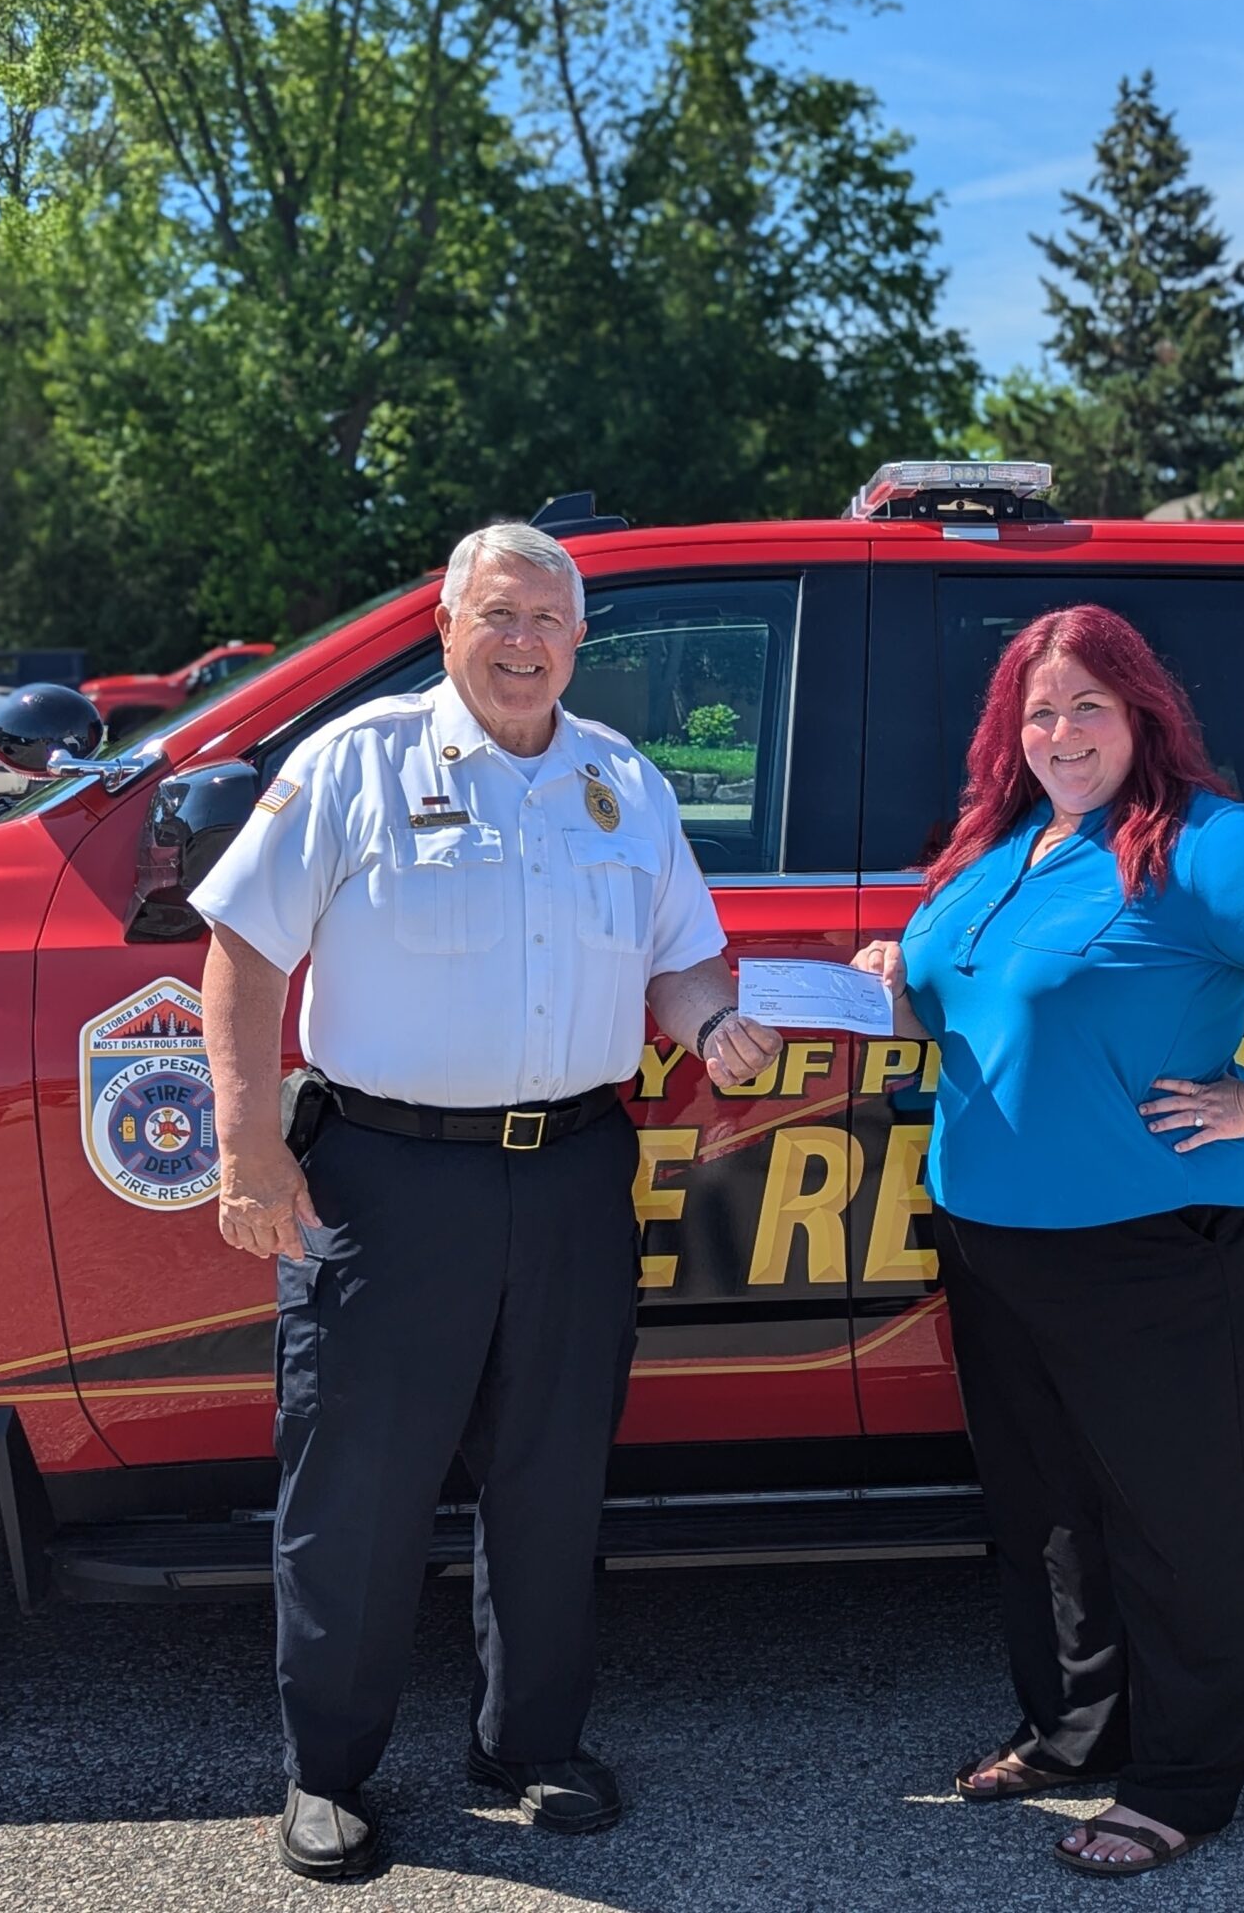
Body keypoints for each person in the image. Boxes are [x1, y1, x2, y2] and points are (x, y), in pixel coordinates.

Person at [195, 522, 781, 1880]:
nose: (524, 645)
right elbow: (239, 950)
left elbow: (681, 964)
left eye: (549, 624)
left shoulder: (623, 782)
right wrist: (248, 1150)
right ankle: (328, 1772)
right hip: (387, 1179)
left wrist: (713, 1029)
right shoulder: (358, 762)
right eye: (499, 618)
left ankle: (532, 1744)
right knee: (359, 1490)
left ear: (581, 643)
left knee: (551, 1480)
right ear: (447, 628)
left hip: (574, 1173)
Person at [852, 603, 1244, 1878]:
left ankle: (1187, 1776)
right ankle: (1076, 1727)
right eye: (1038, 711)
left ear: (1141, 710)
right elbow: (954, 1005)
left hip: (1160, 1241)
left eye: (1086, 703)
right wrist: (892, 976)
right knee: (1047, 1511)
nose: (1059, 730)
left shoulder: (1195, 842)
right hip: (996, 1241)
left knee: (1181, 1515)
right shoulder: (1001, 850)